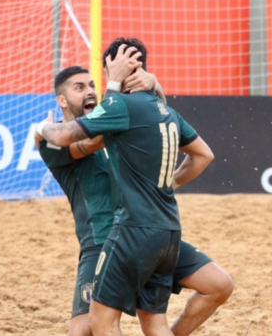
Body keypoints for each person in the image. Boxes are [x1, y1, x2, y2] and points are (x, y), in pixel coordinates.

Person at [38, 65, 233, 336]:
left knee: (219, 284)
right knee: (82, 330)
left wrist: (154, 84)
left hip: (140, 230)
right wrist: (45, 128)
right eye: (79, 87)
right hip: (100, 240)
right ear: (61, 100)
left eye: (93, 85)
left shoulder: (116, 122)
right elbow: (94, 139)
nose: (90, 91)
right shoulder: (53, 141)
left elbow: (145, 119)